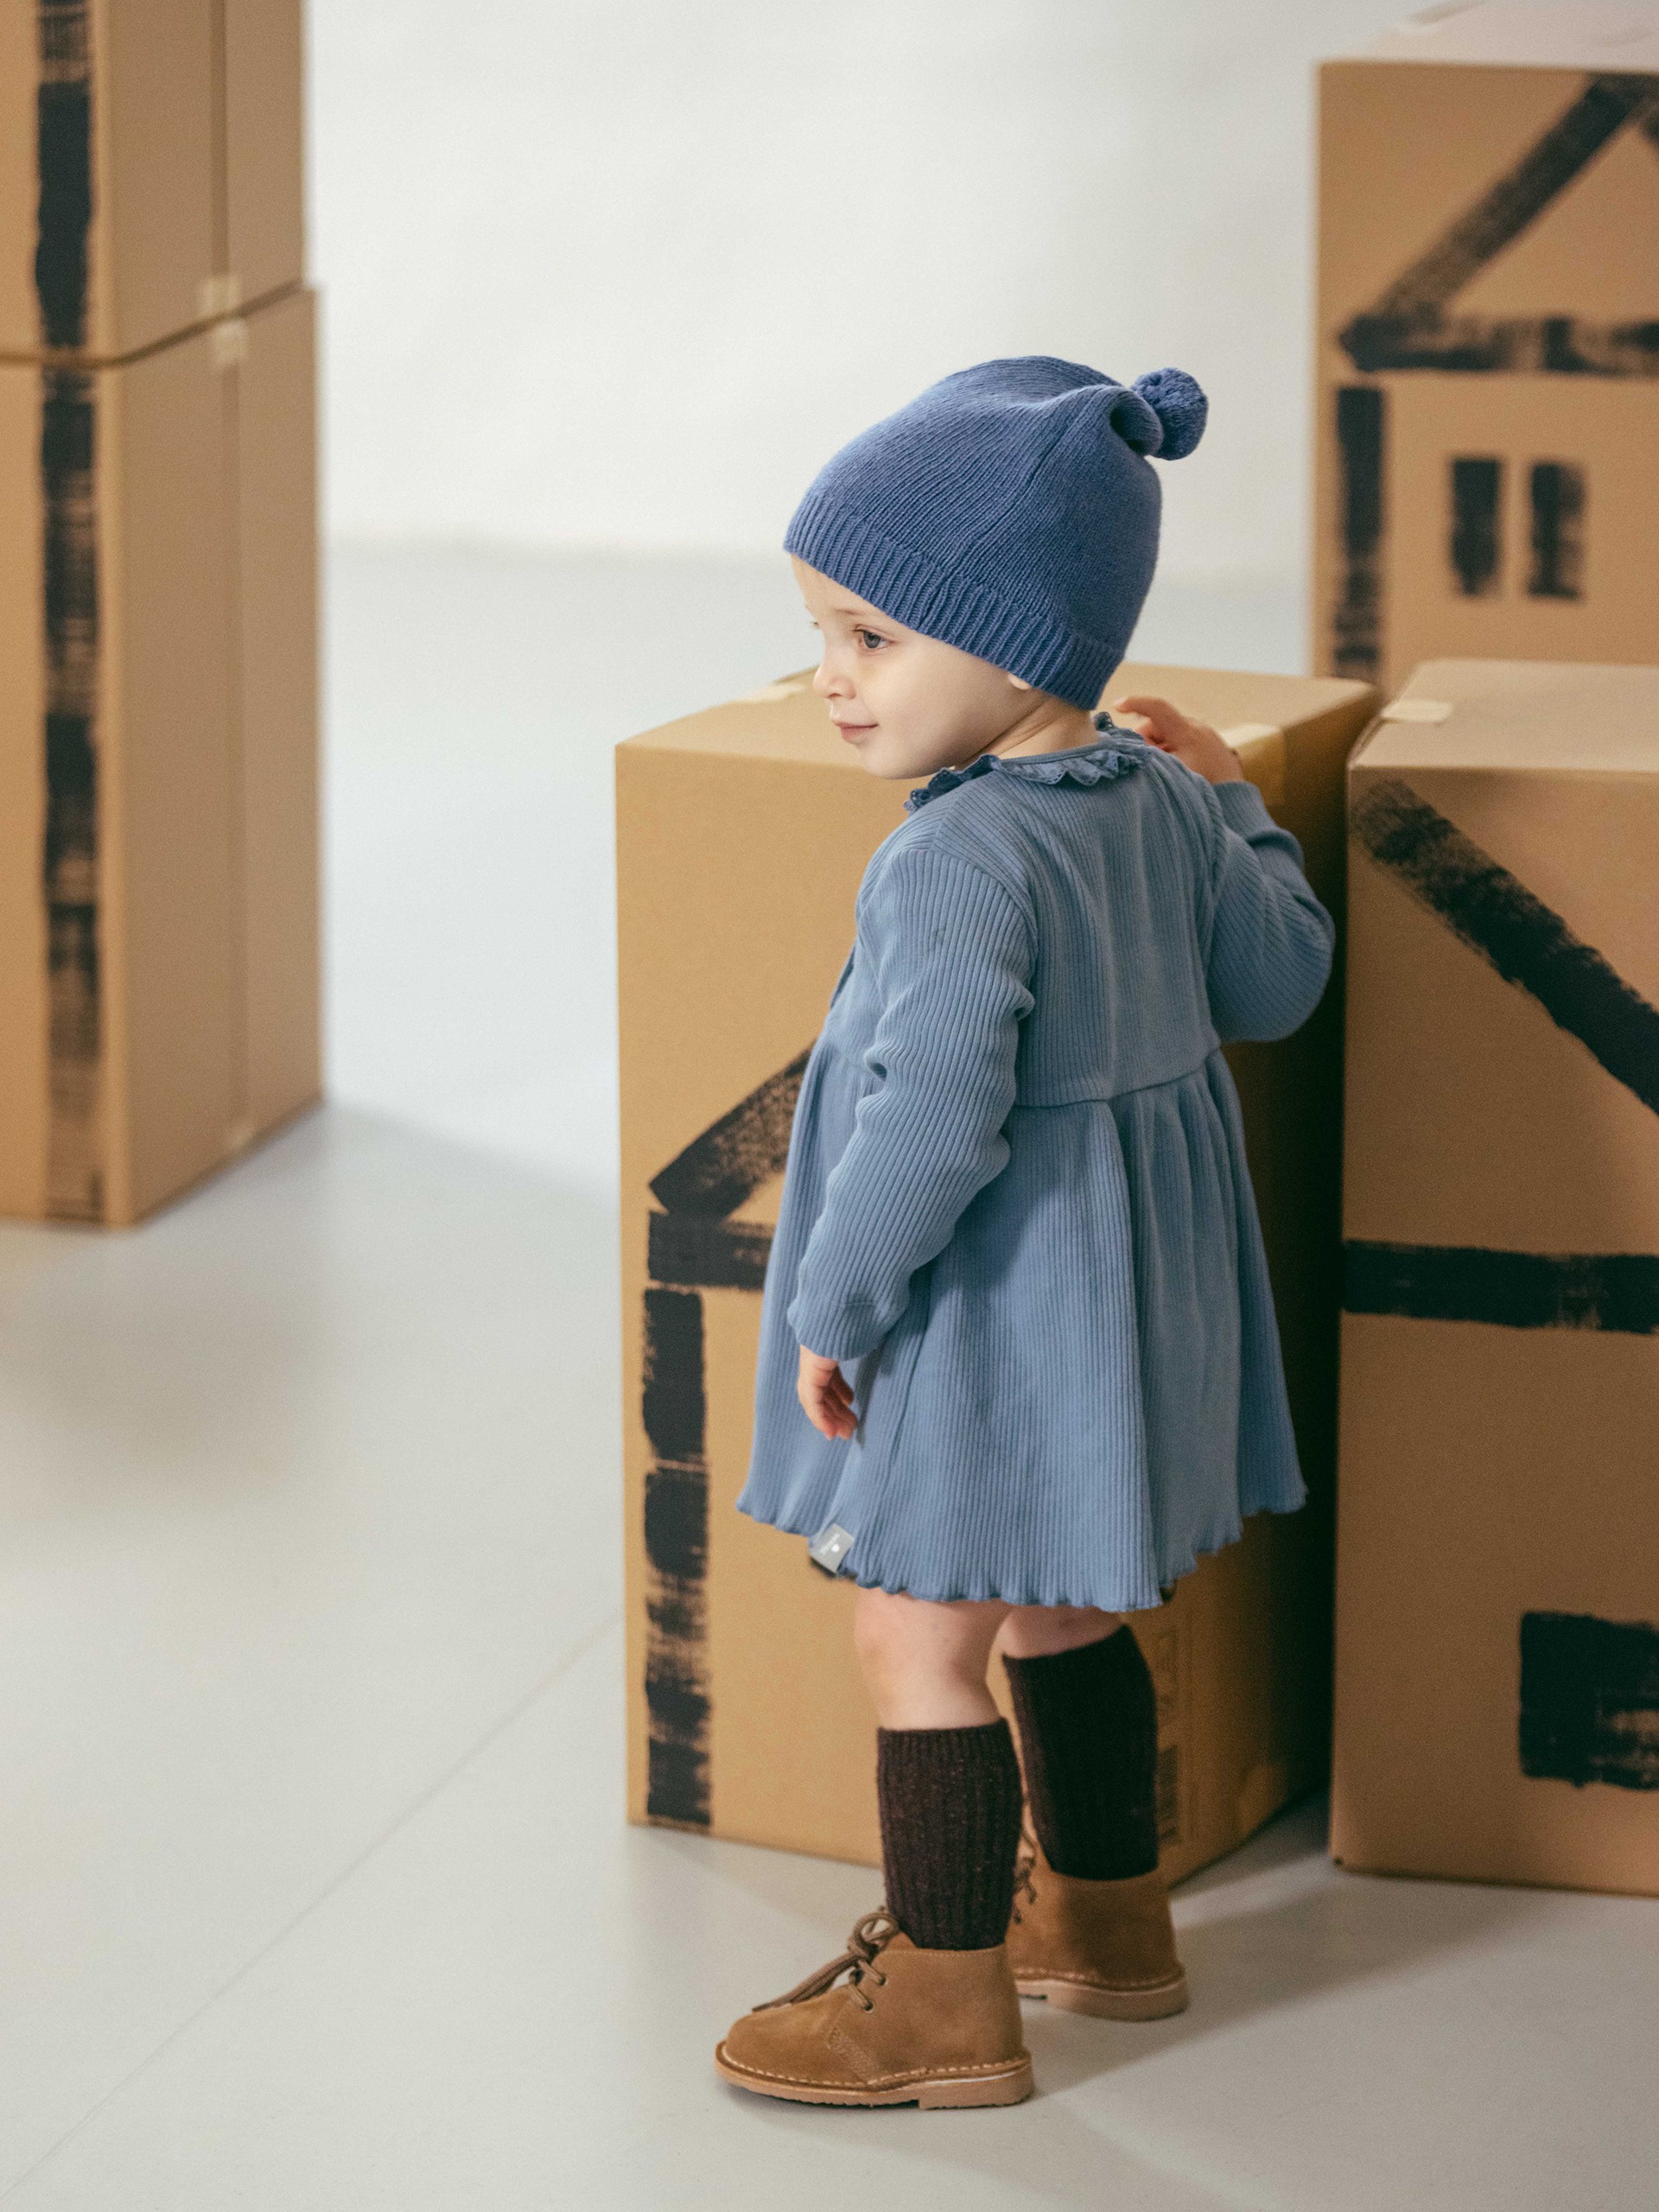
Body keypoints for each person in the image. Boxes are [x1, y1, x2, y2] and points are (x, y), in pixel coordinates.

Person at [715, 357, 1335, 2109]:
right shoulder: (1156, 804)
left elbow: (932, 1120)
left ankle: (942, 2006)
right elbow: (1280, 983)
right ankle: (1115, 1928)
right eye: (821, 633)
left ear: (1018, 643)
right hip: (1128, 1312)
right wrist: (1233, 793)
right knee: (1059, 1606)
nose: (832, 680)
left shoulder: (952, 858)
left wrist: (837, 1297)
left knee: (916, 1640)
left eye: (874, 637)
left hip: (990, 1308)